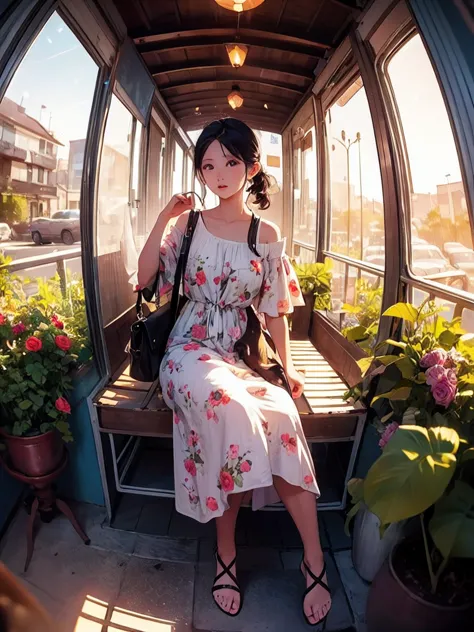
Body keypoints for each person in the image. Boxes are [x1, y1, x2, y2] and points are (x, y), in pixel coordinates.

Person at [137, 118, 331, 626]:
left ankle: (314, 557)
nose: (219, 173)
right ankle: (227, 552)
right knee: (233, 410)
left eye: (230, 162)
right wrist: (165, 215)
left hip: (240, 353)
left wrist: (285, 371)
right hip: (188, 349)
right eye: (208, 164)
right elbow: (145, 279)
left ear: (251, 166)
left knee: (282, 415)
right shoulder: (189, 225)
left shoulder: (265, 235)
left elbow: (275, 311)